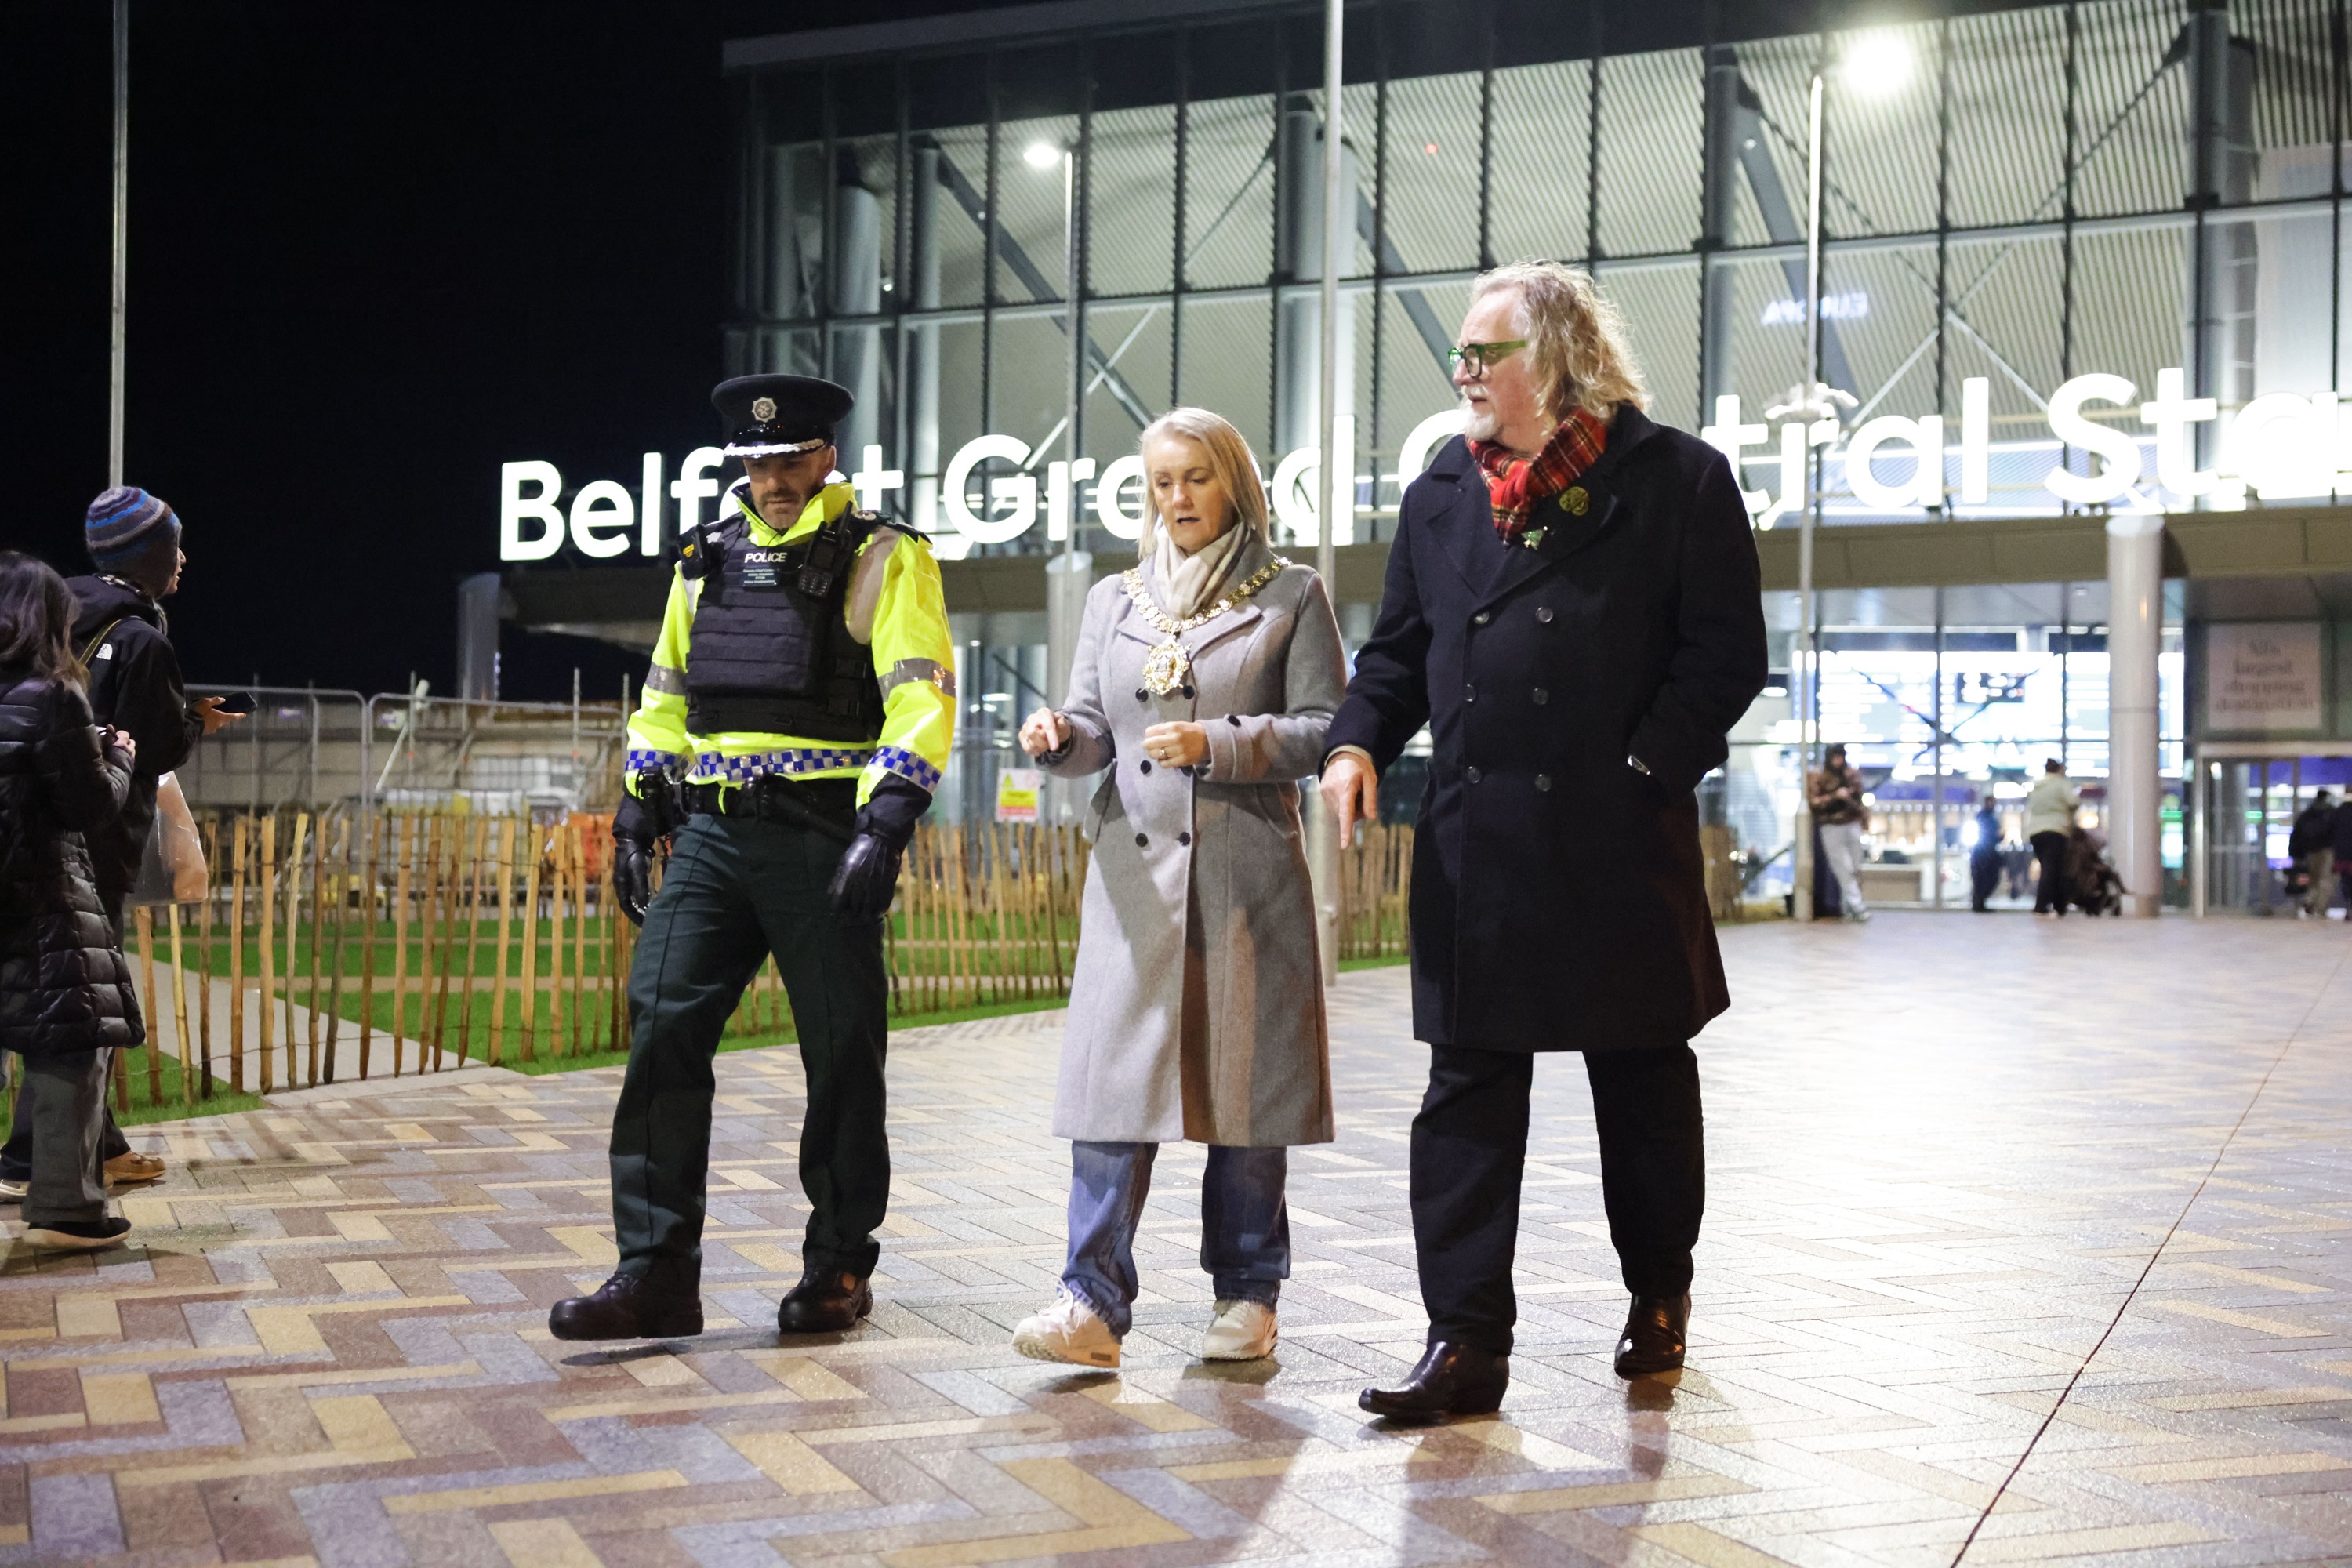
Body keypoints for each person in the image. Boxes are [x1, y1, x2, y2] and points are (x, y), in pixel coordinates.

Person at [1319, 261, 1766, 1417]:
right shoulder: (1439, 494)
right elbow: (1400, 655)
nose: (1463, 372)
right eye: (1460, 355)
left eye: (1485, 352)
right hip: (1478, 848)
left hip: (1617, 842)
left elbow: (1723, 657)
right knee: (1464, 1092)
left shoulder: (1677, 480)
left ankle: (1658, 1299)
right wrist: (1356, 743)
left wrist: (1646, 772)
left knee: (1643, 1083)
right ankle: (1465, 1343)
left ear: (1560, 358)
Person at [548, 376, 955, 1342]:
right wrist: (640, 805)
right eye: (758, 461)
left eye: (793, 456)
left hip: (824, 835)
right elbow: (667, 689)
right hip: (715, 833)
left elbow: (920, 692)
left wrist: (886, 823)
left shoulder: (887, 557)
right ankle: (653, 1272)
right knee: (661, 1026)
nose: (774, 477)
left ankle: (840, 1264)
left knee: (842, 1050)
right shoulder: (705, 558)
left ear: (828, 456)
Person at [1007, 408, 1346, 1370]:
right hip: (1132, 878)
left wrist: (1224, 743)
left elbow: (1328, 724)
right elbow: (1088, 722)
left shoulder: (1289, 593)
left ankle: (1247, 1292)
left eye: (1194, 477)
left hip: (1245, 871)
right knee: (1112, 1088)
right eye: (1160, 481)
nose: (1176, 498)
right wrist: (1059, 740)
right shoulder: (1116, 598)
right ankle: (1091, 1303)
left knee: (1244, 1090)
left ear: (1232, 481)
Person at [0, 487, 241, 1201]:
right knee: (75, 1001)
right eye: (176, 544)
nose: (184, 558)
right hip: (91, 836)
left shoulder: (48, 624)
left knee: (56, 993)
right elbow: (154, 744)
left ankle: (78, 1149)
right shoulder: (140, 638)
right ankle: (47, 1166)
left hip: (23, 835)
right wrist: (195, 724)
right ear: (151, 554)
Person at [0, 552, 143, 1250]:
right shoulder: (52, 695)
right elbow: (85, 806)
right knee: (68, 1041)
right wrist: (117, 756)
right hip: (38, 896)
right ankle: (65, 1205)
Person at [1807, 743, 1871, 924]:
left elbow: (1859, 798)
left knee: (1855, 868)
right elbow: (1814, 802)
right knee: (1843, 868)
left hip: (1851, 824)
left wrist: (1848, 797)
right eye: (1835, 756)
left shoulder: (1851, 775)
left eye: (1840, 756)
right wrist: (1835, 796)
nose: (1838, 760)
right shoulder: (1819, 777)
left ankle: (1849, 907)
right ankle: (1857, 907)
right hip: (1831, 827)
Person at [2024, 758, 2078, 916]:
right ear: (2059, 770)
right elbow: (2074, 801)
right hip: (2056, 830)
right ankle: (2043, 906)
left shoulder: (2036, 786)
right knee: (2052, 869)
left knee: (2048, 867)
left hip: (2035, 832)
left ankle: (2055, 905)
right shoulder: (2061, 784)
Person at [2290, 789, 2337, 918]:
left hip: (2310, 851)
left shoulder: (2307, 814)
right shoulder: (2333, 813)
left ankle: (2309, 901)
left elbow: (2296, 835)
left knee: (2313, 879)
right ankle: (2321, 909)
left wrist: (2295, 853)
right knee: (2326, 879)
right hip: (2328, 850)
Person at [1969, 797, 2005, 913]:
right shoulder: (1984, 817)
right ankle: (1979, 903)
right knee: (1984, 878)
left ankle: (1980, 903)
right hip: (1983, 853)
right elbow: (1989, 836)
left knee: (1988, 878)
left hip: (1987, 852)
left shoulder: (1990, 818)